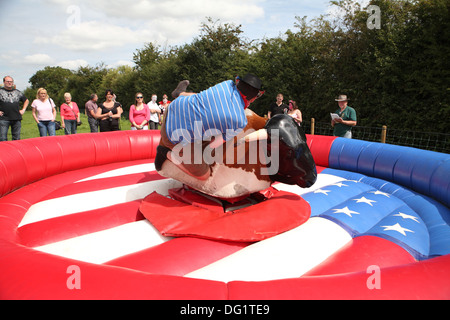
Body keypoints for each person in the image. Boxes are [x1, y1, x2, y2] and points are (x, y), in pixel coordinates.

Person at [156, 73, 264, 179]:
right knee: (204, 175)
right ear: (253, 98)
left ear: (238, 82)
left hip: (173, 107)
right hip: (171, 135)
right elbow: (211, 145)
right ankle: (165, 153)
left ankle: (180, 93)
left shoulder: (226, 84)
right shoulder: (240, 121)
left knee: (200, 97)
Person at [0, 76, 29, 141]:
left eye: (11, 81)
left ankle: (15, 151)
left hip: (16, 118)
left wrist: (23, 110)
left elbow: (26, 101)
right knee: (3, 138)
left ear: (13, 83)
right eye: (7, 81)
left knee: (17, 139)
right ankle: (3, 151)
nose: (9, 83)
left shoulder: (17, 92)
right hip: (3, 119)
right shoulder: (0, 91)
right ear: (4, 82)